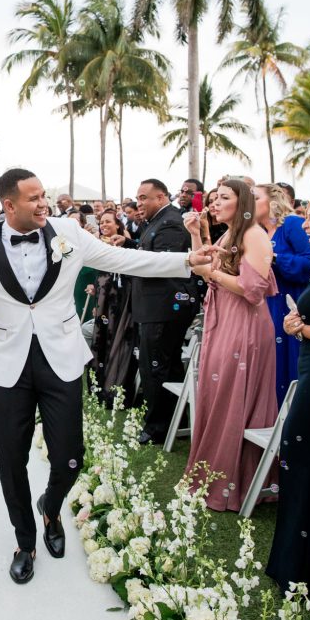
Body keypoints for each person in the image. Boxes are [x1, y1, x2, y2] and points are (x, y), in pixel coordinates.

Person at [0, 168, 211, 584]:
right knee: (10, 461)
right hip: (9, 365)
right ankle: (25, 541)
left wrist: (186, 260)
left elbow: (123, 258)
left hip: (60, 358)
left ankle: (50, 506)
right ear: (9, 205)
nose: (43, 202)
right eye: (33, 198)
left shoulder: (68, 233)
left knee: (69, 457)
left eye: (44, 195)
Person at [184, 179, 278, 512]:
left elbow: (252, 289)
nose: (214, 202)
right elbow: (202, 266)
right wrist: (196, 234)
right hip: (223, 323)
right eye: (213, 198)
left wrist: (215, 276)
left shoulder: (254, 234)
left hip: (244, 328)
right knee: (217, 395)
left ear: (243, 202)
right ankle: (212, 475)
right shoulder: (229, 234)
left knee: (230, 396)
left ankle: (234, 484)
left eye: (224, 197)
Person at [267, 196, 310, 597]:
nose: (305, 226)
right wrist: (297, 321)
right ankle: (293, 562)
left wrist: (303, 329)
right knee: (300, 460)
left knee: (304, 459)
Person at [130, 179, 199, 445]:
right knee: (162, 366)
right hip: (155, 306)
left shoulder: (170, 222)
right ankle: (172, 420)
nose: (139, 203)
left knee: (155, 366)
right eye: (138, 198)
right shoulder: (155, 222)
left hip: (164, 307)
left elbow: (162, 264)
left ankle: (156, 427)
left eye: (144, 197)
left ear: (161, 198)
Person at [254, 183, 310, 405]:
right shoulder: (257, 233)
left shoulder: (291, 224)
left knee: (290, 361)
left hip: (291, 301)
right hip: (266, 304)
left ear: (271, 202)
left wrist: (275, 258)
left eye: (255, 197)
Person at [91, 212, 138, 406]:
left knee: (117, 340)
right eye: (101, 222)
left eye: (108, 221)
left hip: (120, 299)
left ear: (118, 225)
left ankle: (114, 389)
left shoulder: (126, 244)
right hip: (103, 299)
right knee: (102, 339)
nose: (103, 225)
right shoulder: (99, 244)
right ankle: (99, 385)